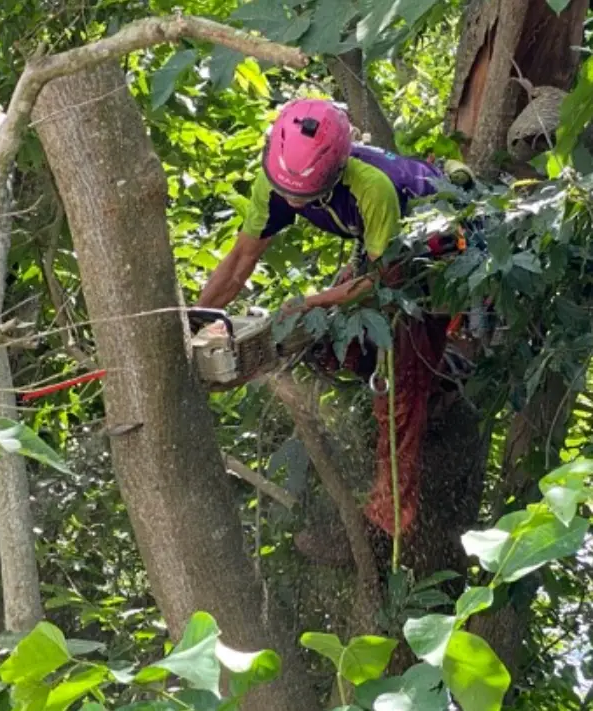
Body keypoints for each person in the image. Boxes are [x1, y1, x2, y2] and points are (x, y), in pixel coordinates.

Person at [197, 98, 461, 558]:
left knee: (397, 393)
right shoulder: (277, 180)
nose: (294, 202)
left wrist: (309, 302)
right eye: (289, 192)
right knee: (324, 344)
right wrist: (196, 319)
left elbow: (382, 284)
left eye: (306, 194)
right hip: (380, 255)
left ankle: (385, 527)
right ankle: (435, 375)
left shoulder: (372, 187)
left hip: (436, 258)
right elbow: (241, 260)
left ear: (337, 169)